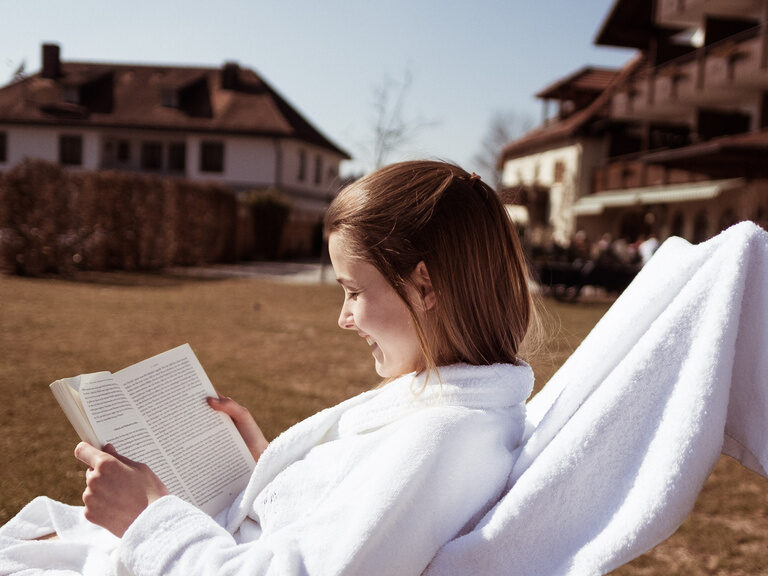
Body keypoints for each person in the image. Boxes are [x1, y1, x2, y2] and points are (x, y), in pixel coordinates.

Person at [0, 160, 536, 575]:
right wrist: (267, 463)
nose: (344, 319)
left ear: (425, 286)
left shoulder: (445, 440)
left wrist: (148, 518)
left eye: (353, 291)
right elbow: (347, 516)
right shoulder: (446, 404)